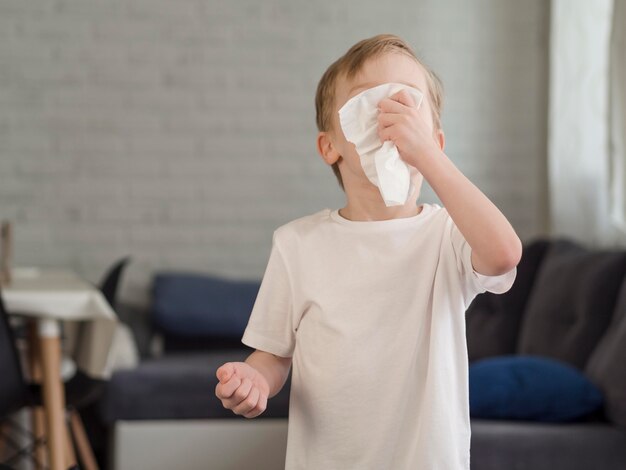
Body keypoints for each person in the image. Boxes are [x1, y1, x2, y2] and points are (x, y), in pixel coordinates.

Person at [215, 33, 522, 469]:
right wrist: (254, 380)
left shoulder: (447, 238)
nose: (391, 117)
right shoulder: (297, 244)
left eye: (407, 105)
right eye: (369, 103)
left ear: (434, 140)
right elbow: (273, 355)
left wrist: (428, 160)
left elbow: (504, 253)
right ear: (330, 147)